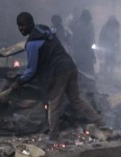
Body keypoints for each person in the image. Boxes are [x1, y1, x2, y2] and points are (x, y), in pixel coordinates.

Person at [11, 12, 109, 148]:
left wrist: (19, 82)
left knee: (54, 104)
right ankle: (100, 122)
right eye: (19, 26)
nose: (21, 29)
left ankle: (53, 137)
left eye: (23, 25)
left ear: (30, 23)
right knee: (76, 100)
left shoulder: (32, 43)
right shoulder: (44, 29)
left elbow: (31, 70)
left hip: (58, 72)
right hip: (70, 66)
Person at [68, 9, 96, 75]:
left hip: (86, 50)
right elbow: (76, 38)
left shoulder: (90, 26)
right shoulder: (79, 26)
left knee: (87, 65)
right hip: (81, 50)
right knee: (82, 66)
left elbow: (92, 37)